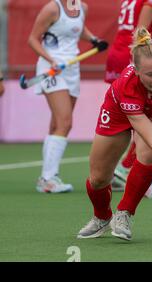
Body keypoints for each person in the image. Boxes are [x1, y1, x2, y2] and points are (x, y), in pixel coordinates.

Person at [77, 28, 152, 241]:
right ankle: (102, 217)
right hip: (118, 111)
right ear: (136, 71)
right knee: (98, 179)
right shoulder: (128, 86)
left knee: (146, 155)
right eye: (150, 74)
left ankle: (125, 212)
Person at [28, 0, 106, 193]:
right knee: (65, 122)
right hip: (52, 70)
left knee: (57, 124)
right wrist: (51, 60)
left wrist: (93, 39)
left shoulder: (83, 7)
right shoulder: (52, 8)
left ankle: (46, 178)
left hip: (72, 69)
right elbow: (32, 39)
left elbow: (76, 29)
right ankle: (48, 178)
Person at [105, 0, 152, 199]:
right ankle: (131, 169)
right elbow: (140, 30)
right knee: (147, 117)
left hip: (118, 50)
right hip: (133, 54)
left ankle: (121, 167)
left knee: (129, 114)